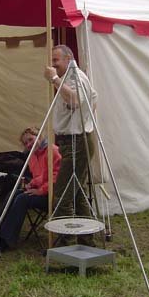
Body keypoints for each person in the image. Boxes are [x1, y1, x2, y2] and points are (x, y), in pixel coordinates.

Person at [43, 44, 98, 246]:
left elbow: (75, 101)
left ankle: (66, 243)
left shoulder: (75, 78)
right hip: (72, 141)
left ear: (68, 59)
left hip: (77, 141)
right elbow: (94, 98)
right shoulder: (70, 77)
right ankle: (86, 240)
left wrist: (54, 79)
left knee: (62, 196)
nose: (53, 64)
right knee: (77, 194)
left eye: (56, 60)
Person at [0, 127, 61, 250]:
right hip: (41, 191)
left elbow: (56, 178)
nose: (29, 144)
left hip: (53, 195)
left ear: (39, 136)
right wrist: (32, 184)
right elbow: (41, 177)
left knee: (22, 199)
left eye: (30, 140)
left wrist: (40, 190)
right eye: (26, 143)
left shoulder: (52, 151)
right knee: (13, 194)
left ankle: (6, 241)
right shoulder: (32, 155)